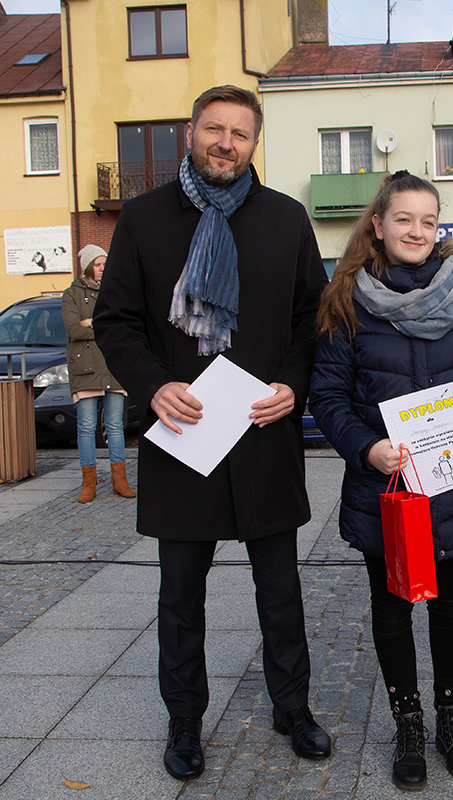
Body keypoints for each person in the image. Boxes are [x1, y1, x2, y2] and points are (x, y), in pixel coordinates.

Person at [92, 85, 332, 781]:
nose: (226, 143)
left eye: (240, 133)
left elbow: (311, 318)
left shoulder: (286, 218)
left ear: (255, 144)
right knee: (179, 596)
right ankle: (184, 721)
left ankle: (293, 707)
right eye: (214, 129)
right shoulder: (143, 218)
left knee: (280, 590)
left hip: (262, 433)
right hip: (183, 433)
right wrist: (152, 385)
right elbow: (116, 321)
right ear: (191, 132)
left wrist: (293, 385)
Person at [308, 171, 453, 790]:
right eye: (403, 219)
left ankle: (451, 721)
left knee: (451, 606)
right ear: (378, 224)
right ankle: (409, 723)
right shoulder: (346, 299)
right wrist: (365, 449)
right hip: (386, 486)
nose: (416, 231)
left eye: (428, 220)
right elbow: (328, 397)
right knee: (393, 608)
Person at [62, 244, 136, 503]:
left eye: (105, 263)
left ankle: (120, 481)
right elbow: (74, 330)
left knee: (115, 425)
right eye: (98, 264)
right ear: (87, 267)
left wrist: (91, 323)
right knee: (86, 426)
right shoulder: (71, 294)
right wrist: (102, 327)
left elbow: (122, 324)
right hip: (85, 367)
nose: (103, 268)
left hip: (112, 365)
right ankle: (89, 483)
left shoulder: (115, 290)